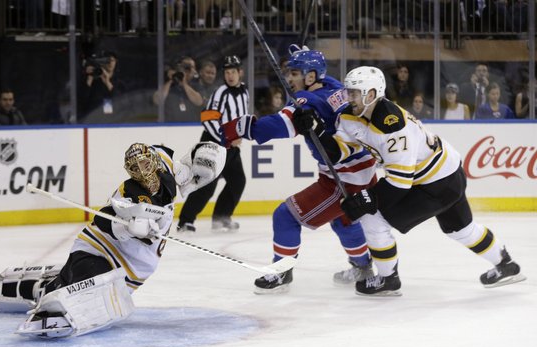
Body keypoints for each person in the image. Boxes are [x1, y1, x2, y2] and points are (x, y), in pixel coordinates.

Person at [294, 66, 526, 296]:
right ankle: (506, 265)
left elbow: (400, 183)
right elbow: (338, 152)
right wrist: (316, 132)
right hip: (446, 171)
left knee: (371, 216)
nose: (348, 97)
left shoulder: (393, 127)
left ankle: (387, 279)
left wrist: (367, 198)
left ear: (371, 94)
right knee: (461, 230)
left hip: (436, 183)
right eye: (348, 91)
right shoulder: (350, 116)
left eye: (354, 92)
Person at [0, 141, 227, 338]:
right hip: (101, 250)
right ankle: (12, 291)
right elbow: (106, 218)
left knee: (68, 283)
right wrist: (128, 227)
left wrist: (201, 157)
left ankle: (50, 284)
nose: (144, 173)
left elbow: (182, 163)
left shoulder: (165, 165)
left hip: (134, 271)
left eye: (146, 164)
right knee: (68, 285)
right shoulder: (127, 195)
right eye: (136, 170)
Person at [220, 45, 378, 293]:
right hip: (361, 169)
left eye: (294, 73)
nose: (288, 78)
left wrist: (231, 130)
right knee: (343, 219)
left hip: (343, 178)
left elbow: (270, 127)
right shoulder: (335, 86)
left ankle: (281, 272)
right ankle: (363, 267)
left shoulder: (308, 102)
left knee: (285, 215)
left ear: (311, 76)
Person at [177, 56, 247, 233]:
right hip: (213, 145)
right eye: (227, 72)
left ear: (240, 73)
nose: (230, 76)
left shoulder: (244, 92)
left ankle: (221, 218)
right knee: (207, 185)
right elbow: (207, 119)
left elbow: (241, 118)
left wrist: (241, 134)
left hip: (230, 147)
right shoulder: (221, 93)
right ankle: (185, 221)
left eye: (233, 72)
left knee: (237, 181)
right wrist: (228, 138)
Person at [153, 56, 205, 122]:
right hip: (168, 128)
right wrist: (173, 78)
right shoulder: (167, 85)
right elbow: (157, 100)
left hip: (191, 128)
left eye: (189, 68)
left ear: (194, 71)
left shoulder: (197, 85)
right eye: (185, 67)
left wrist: (184, 83)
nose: (187, 70)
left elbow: (199, 102)